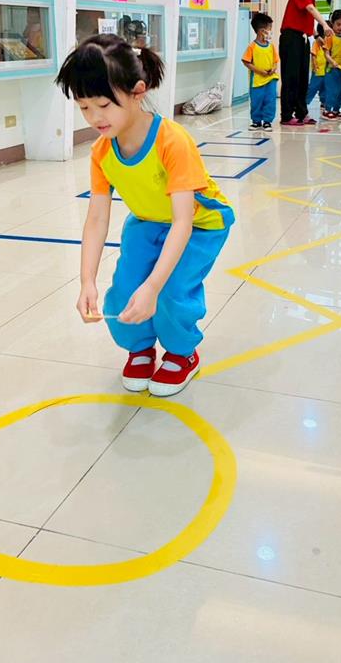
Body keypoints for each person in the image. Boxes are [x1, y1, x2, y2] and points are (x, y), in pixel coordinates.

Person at [56, 34, 234, 397]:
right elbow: (96, 219)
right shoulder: (102, 152)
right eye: (84, 107)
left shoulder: (173, 141)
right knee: (123, 292)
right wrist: (86, 280)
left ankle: (182, 354)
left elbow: (183, 221)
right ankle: (140, 348)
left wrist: (153, 287)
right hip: (147, 222)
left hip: (199, 225)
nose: (94, 117)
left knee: (171, 292)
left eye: (103, 104)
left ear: (138, 92)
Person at [279, 0, 334, 127]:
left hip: (302, 39)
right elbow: (310, 9)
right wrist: (325, 25)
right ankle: (286, 115)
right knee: (291, 78)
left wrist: (316, 37)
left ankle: (302, 113)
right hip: (291, 38)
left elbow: (306, 20)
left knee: (303, 78)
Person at [242, 12, 279, 131]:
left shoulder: (271, 46)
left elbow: (275, 61)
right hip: (257, 80)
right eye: (269, 29)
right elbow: (246, 61)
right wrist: (259, 71)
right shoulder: (252, 46)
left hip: (271, 78)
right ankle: (256, 121)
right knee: (256, 101)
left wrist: (273, 68)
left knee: (270, 100)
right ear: (261, 31)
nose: (271, 31)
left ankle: (267, 121)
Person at [322, 9, 341, 120]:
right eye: (338, 24)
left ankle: (336, 110)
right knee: (332, 90)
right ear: (332, 23)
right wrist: (332, 62)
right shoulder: (329, 37)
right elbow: (326, 54)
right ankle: (327, 110)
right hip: (332, 68)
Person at [306, 24, 327, 111]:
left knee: (325, 87)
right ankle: (305, 101)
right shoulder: (317, 42)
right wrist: (314, 64)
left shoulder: (329, 41)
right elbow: (313, 54)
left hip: (326, 70)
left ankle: (324, 102)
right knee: (313, 87)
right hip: (318, 70)